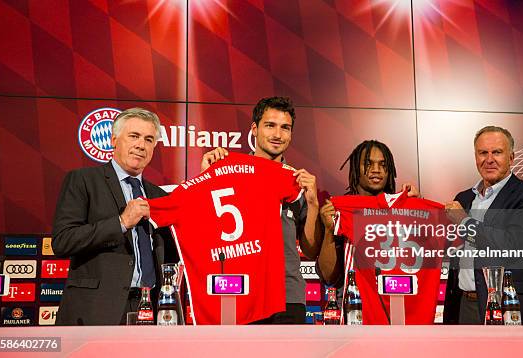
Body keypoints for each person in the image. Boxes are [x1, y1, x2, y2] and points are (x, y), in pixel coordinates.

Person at [200, 96, 321, 324]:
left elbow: (311, 250)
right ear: (254, 129)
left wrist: (313, 204)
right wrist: (208, 177)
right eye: (270, 125)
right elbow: (205, 230)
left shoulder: (297, 181)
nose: (277, 134)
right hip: (241, 291)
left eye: (285, 128)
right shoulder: (229, 172)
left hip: (288, 296)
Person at [52, 107, 174, 325]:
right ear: (114, 140)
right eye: (134, 136)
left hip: (150, 310)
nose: (141, 145)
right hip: (95, 311)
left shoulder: (159, 196)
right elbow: (63, 241)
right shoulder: (83, 180)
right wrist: (121, 223)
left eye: (148, 139)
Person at [443, 126, 523, 325]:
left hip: (508, 305)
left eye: (497, 152)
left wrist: (465, 222)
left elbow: (516, 245)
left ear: (511, 158)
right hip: (465, 306)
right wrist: (415, 202)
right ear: (475, 157)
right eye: (483, 152)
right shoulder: (464, 198)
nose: (489, 159)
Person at [317, 140, 418, 286]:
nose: (376, 169)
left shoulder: (402, 210)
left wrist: (417, 206)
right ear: (355, 168)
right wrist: (328, 231)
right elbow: (329, 277)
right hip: (356, 303)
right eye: (368, 163)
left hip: (395, 301)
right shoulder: (339, 211)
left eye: (383, 165)